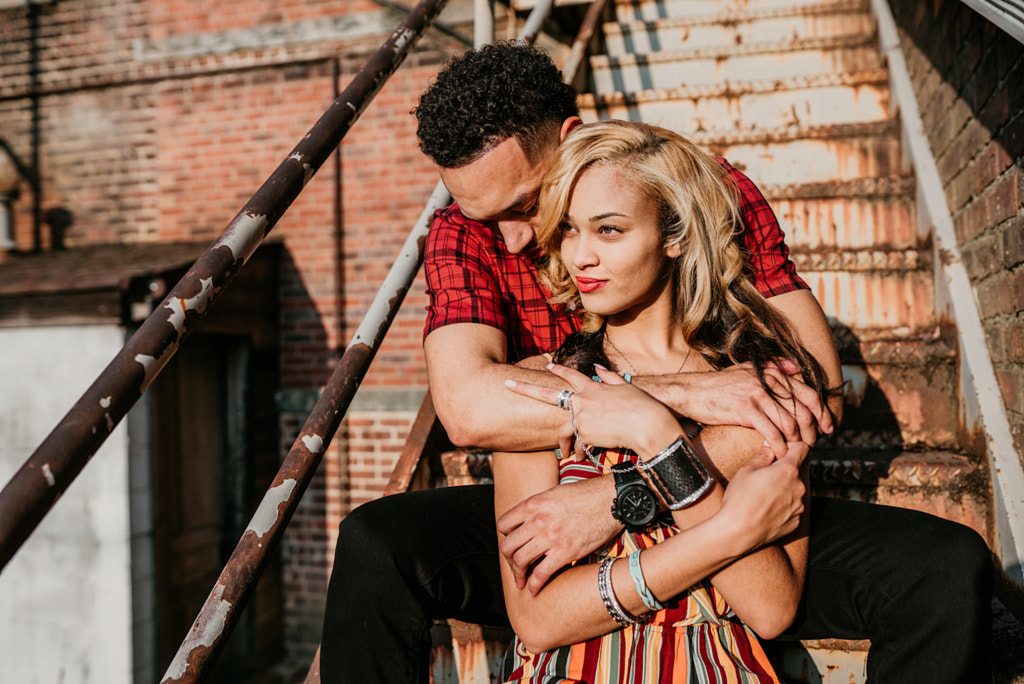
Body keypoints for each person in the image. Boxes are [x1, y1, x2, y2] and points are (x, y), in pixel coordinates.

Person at [320, 42, 992, 683]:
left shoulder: (694, 190)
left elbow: (814, 390)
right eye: (486, 216)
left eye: (525, 205)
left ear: (569, 136)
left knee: (944, 568)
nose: (516, 239)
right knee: (377, 543)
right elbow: (468, 409)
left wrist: (623, 498)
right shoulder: (466, 232)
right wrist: (674, 395)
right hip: (558, 514)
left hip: (711, 498)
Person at [494, 119, 827, 682]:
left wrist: (658, 438)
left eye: (609, 230)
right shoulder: (539, 386)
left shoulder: (750, 394)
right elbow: (539, 618)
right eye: (569, 231)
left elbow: (771, 609)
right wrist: (728, 532)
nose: (580, 257)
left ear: (673, 235)